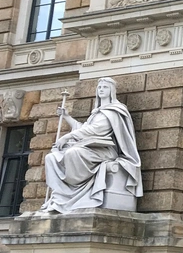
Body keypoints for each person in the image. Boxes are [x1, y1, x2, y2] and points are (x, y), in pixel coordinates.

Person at [40, 77, 143, 213]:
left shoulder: (114, 111)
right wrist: (66, 117)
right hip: (90, 148)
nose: (101, 89)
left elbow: (95, 130)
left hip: (105, 150)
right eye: (99, 87)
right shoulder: (97, 112)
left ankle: (71, 193)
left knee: (73, 153)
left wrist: (67, 136)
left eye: (105, 87)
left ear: (111, 91)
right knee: (52, 157)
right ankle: (62, 196)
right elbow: (83, 128)